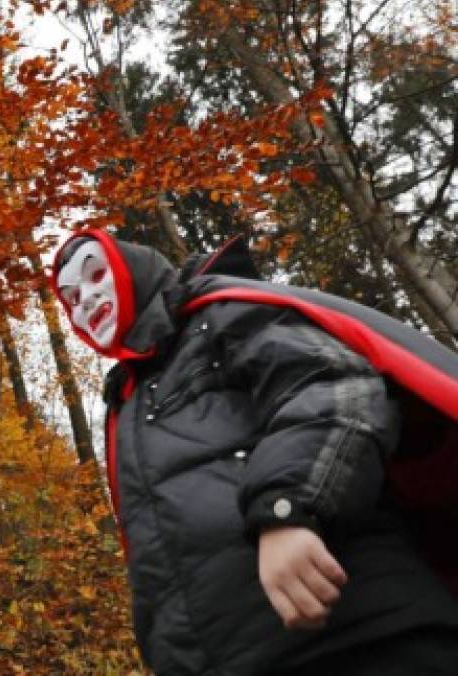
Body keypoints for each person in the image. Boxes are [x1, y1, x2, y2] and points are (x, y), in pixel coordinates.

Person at [51, 229, 458, 675]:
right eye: (71, 298)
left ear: (134, 270)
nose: (85, 301)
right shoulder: (124, 403)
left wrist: (288, 508)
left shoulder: (221, 314)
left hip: (362, 632)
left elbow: (329, 384)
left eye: (95, 276)